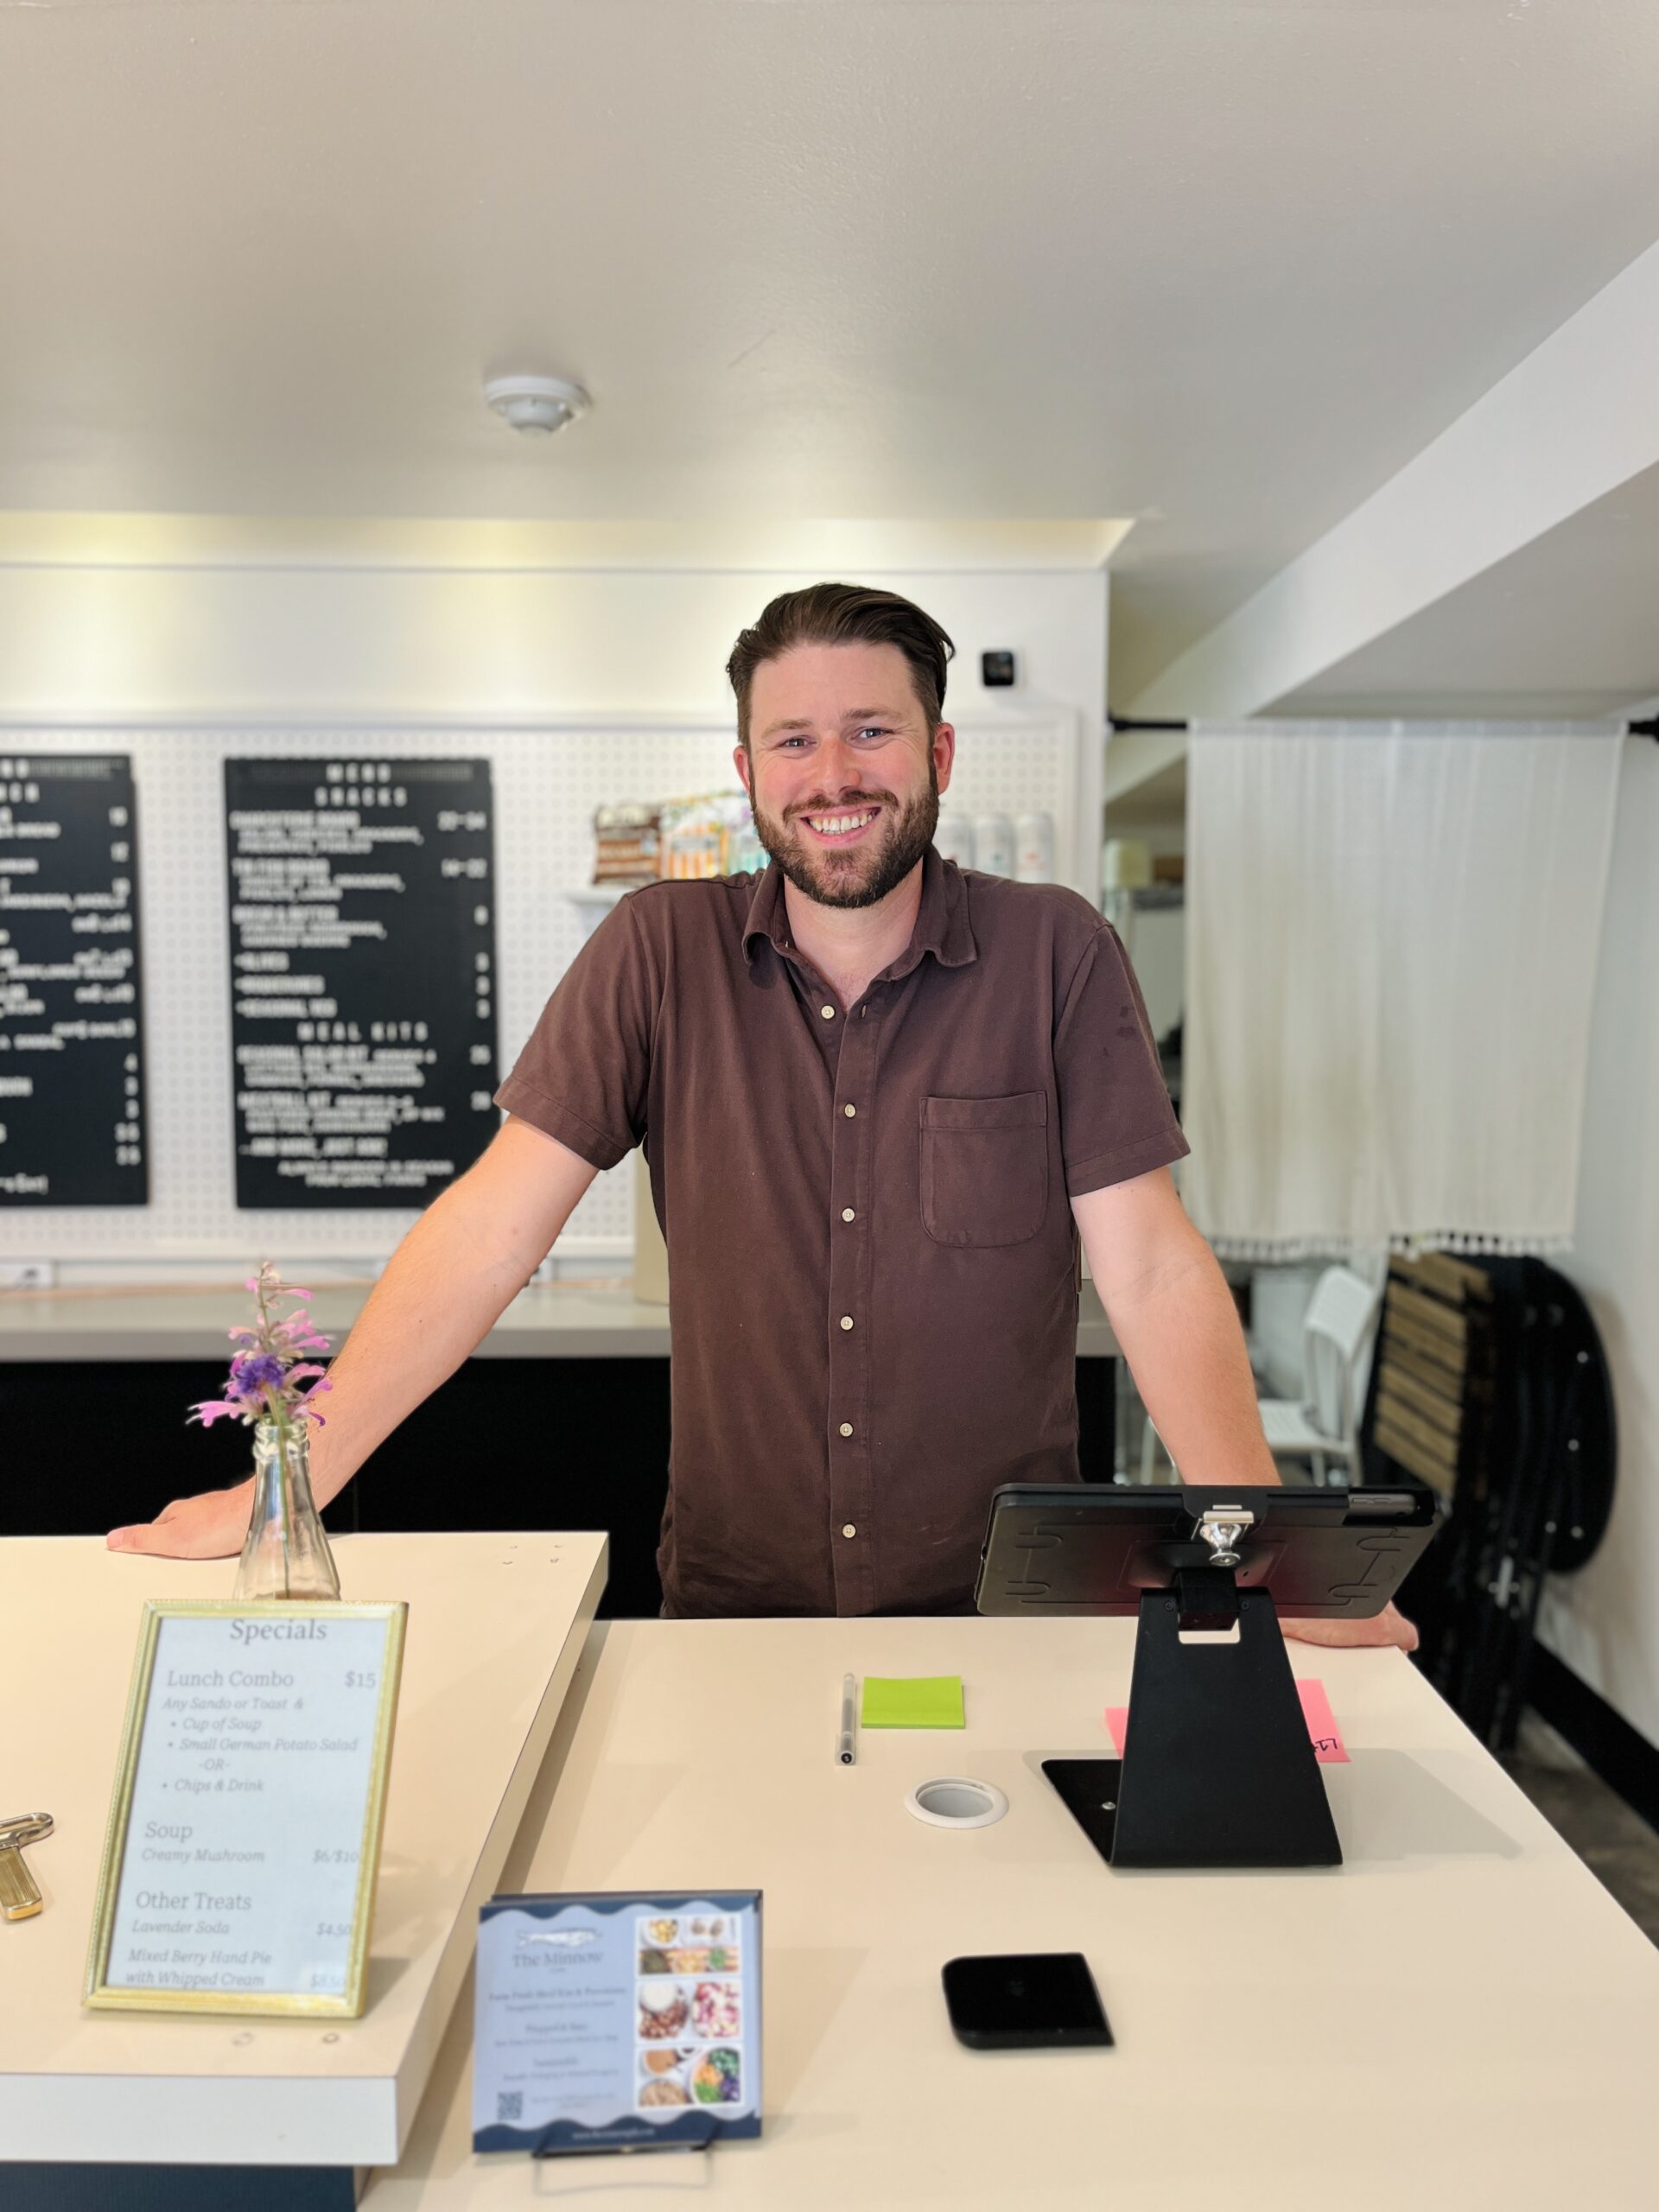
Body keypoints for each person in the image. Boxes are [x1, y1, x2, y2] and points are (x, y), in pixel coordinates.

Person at [110, 582, 1413, 1649]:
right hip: (736, 1610)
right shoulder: (654, 951)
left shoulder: (1055, 954)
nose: (832, 773)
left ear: (940, 752)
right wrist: (287, 1493)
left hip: (995, 1610)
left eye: (872, 732)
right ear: (746, 771)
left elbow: (1149, 1262)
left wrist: (1256, 1543)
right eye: (793, 740)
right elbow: (488, 1234)